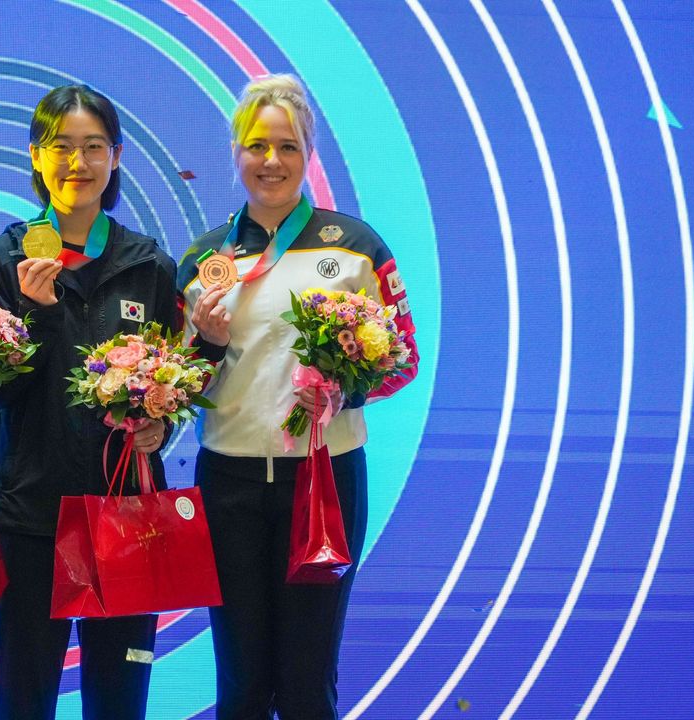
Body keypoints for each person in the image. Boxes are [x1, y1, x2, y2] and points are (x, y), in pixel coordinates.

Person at [178, 75, 420, 719]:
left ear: (308, 152)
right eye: (257, 145)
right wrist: (203, 344)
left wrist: (346, 392)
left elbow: (404, 360)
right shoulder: (207, 257)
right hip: (228, 481)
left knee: (309, 678)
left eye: (287, 146)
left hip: (325, 481)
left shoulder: (357, 248)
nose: (272, 162)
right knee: (241, 680)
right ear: (236, 153)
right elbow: (174, 387)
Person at [0, 84, 181, 720]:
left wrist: (159, 429)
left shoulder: (149, 265)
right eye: (61, 147)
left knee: (120, 703)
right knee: (22, 698)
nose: (78, 163)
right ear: (35, 157)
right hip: (30, 512)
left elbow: (171, 382)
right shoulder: (4, 259)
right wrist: (34, 315)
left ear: (115, 158)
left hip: (125, 513)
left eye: (94, 146)